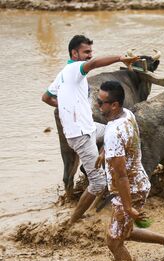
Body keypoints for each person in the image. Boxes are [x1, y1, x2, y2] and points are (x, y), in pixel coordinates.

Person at [41, 35, 139, 224]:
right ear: (74, 53)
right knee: (98, 182)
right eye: (86, 52)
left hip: (91, 128)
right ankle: (73, 220)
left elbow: (46, 97)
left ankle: (108, 160)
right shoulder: (74, 69)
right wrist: (120, 58)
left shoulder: (63, 73)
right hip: (81, 135)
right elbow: (94, 64)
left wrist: (67, 110)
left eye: (90, 52)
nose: (89, 56)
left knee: (115, 131)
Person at [98, 81, 164, 261]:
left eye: (101, 102)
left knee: (113, 241)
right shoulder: (127, 114)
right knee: (124, 232)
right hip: (138, 181)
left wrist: (128, 207)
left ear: (114, 105)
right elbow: (123, 143)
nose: (97, 105)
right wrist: (105, 151)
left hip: (128, 189)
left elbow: (120, 176)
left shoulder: (113, 132)